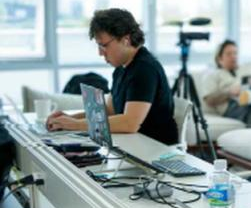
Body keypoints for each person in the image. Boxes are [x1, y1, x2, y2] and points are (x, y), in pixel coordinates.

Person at [47, 8, 178, 145]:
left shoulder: (145, 69)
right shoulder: (121, 68)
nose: (100, 53)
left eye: (104, 45)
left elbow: (130, 123)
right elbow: (110, 111)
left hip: (154, 148)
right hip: (133, 142)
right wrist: (70, 118)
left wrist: (74, 124)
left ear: (126, 39)